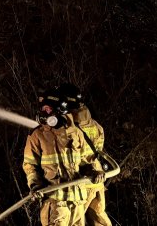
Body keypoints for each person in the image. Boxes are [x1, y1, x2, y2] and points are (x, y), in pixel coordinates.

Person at [23, 88, 104, 226]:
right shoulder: (37, 136)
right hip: (56, 201)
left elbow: (88, 158)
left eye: (47, 109)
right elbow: (30, 165)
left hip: (78, 200)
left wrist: (95, 171)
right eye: (43, 109)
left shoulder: (76, 133)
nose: (43, 113)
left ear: (59, 111)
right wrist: (35, 185)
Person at [59, 84, 112, 226]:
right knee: (99, 218)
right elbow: (97, 152)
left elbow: (80, 155)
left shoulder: (71, 129)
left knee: (75, 221)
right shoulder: (95, 125)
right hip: (97, 181)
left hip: (82, 182)